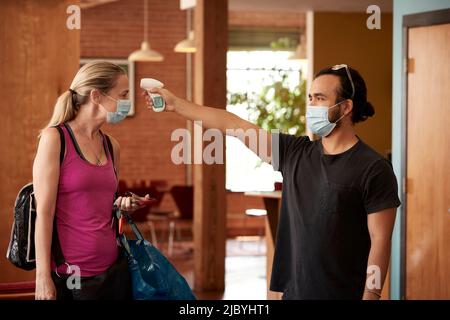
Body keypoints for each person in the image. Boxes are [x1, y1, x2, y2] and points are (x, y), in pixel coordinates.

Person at [142, 64, 401, 300]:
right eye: (310, 98)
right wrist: (176, 105)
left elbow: (380, 239)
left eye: (320, 99)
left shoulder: (374, 169)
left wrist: (372, 295)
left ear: (345, 107)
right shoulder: (293, 153)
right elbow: (233, 125)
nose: (311, 106)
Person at [34, 61, 149, 300]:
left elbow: (102, 203)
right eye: (123, 94)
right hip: (72, 276)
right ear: (96, 95)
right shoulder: (55, 139)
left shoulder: (111, 145)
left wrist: (123, 203)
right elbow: (44, 213)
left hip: (113, 271)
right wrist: (42, 277)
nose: (127, 102)